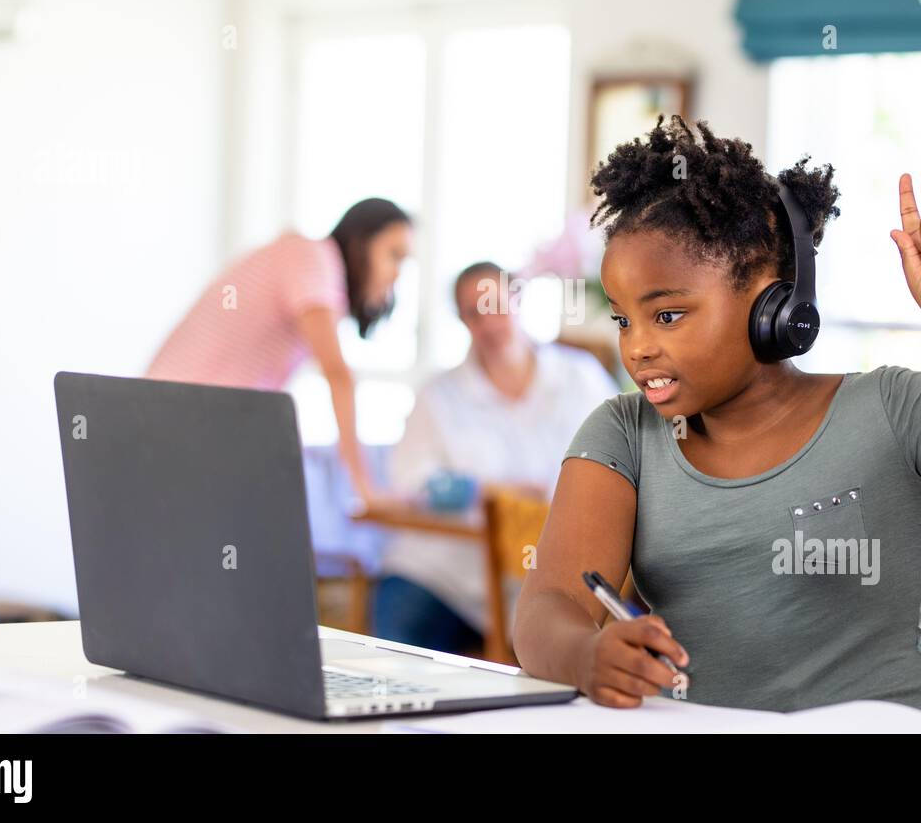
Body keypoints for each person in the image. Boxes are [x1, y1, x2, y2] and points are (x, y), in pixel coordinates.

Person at [512, 115, 921, 725]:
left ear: (777, 303)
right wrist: (584, 655)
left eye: (669, 314)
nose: (637, 346)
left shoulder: (891, 412)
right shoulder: (624, 435)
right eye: (625, 318)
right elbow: (550, 608)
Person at [375, 261, 619, 655]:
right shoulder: (439, 396)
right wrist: (489, 493)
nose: (489, 324)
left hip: (548, 571)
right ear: (462, 321)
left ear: (517, 299)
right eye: (474, 314)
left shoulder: (580, 378)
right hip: (447, 574)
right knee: (396, 642)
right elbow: (411, 481)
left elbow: (623, 455)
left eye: (496, 306)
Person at [147, 198, 413, 502]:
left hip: (182, 418)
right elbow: (338, 375)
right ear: (360, 244)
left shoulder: (314, 269)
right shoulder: (311, 256)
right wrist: (364, 488)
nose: (397, 273)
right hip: (177, 415)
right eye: (394, 255)